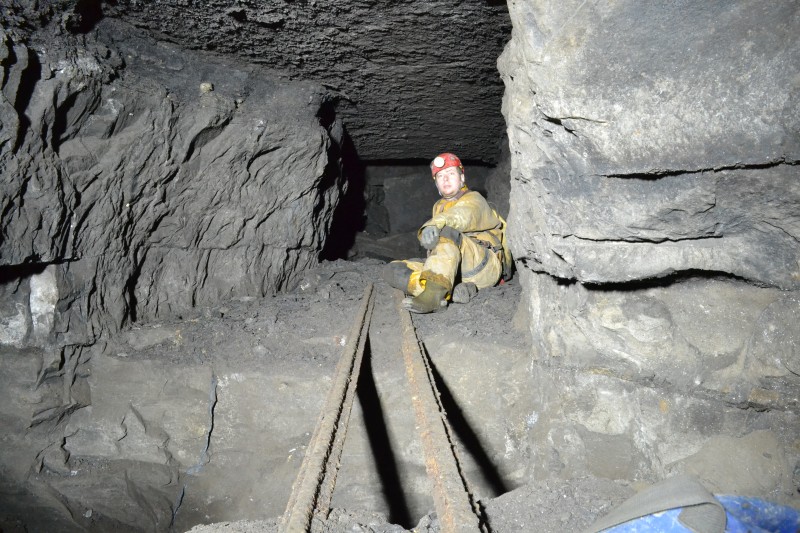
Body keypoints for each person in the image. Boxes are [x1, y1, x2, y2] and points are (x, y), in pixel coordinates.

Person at [382, 152, 512, 313]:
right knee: (394, 269)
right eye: (440, 176)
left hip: (483, 264)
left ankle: (432, 296)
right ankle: (452, 292)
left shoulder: (474, 199)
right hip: (456, 270)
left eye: (451, 174)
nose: (445, 179)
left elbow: (463, 215)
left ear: (462, 178)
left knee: (446, 232)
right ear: (436, 184)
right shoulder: (439, 206)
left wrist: (435, 225)